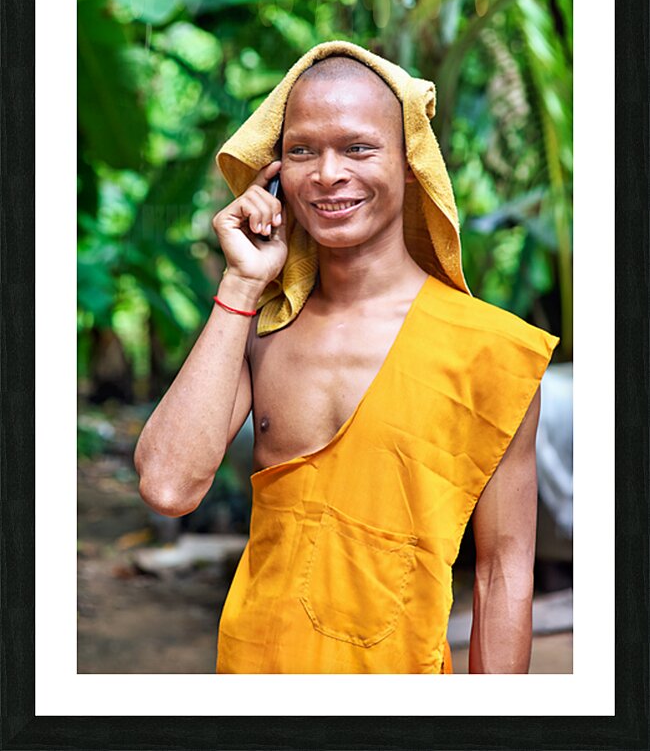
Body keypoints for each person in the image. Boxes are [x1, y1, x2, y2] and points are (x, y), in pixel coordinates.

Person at [134, 40, 559, 675]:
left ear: (412, 163)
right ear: (274, 174)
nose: (327, 174)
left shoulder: (491, 352)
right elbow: (168, 487)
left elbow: (504, 571)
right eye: (302, 151)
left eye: (358, 148)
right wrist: (242, 284)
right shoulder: (261, 326)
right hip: (252, 678)